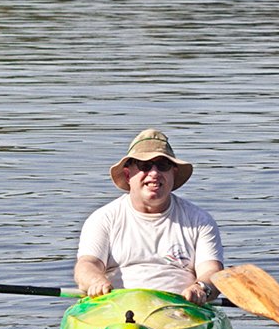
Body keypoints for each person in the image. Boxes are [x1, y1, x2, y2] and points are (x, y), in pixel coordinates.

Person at [74, 128, 224, 305]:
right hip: (116, 311)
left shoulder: (200, 221)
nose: (154, 173)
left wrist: (201, 288)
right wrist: (95, 281)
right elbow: (87, 265)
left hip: (182, 311)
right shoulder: (103, 219)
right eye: (145, 166)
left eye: (162, 165)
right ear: (128, 174)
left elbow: (211, 271)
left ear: (173, 174)